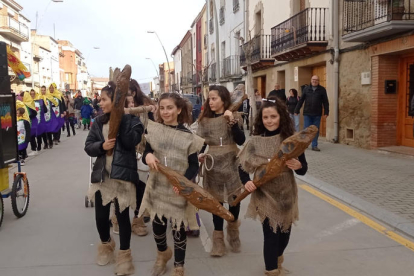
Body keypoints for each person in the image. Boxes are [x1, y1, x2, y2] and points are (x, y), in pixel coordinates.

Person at [238, 97, 307, 276]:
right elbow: (241, 165)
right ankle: (272, 270)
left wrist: (299, 166)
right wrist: (247, 181)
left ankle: (277, 258)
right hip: (264, 193)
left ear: (281, 117)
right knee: (271, 235)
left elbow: (303, 169)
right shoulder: (254, 141)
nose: (269, 121)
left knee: (284, 234)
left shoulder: (292, 141)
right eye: (265, 117)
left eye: (273, 117)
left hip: (286, 194)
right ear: (261, 119)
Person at [139, 92, 204, 276]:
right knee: (158, 228)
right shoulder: (154, 130)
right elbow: (146, 154)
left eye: (170, 108)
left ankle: (179, 266)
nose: (166, 112)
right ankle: (162, 255)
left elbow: (193, 165)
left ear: (179, 109)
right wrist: (148, 155)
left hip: (178, 190)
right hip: (157, 187)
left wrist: (183, 183)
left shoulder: (189, 136)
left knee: (178, 228)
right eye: (162, 108)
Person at [85, 82, 144, 275]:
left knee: (122, 218)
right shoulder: (98, 122)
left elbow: (130, 142)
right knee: (101, 218)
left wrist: (121, 121)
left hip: (123, 178)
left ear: (115, 101)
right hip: (103, 177)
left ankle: (125, 257)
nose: (100, 103)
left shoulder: (133, 121)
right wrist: (102, 146)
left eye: (104, 99)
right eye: (100, 99)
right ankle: (105, 243)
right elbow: (89, 146)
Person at [196, 85, 246, 257]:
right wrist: (200, 154)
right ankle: (218, 239)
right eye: (209, 98)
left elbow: (241, 140)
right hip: (213, 163)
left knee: (234, 199)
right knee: (216, 202)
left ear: (224, 100)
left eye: (214, 98)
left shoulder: (234, 116)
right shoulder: (203, 120)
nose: (211, 101)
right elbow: (201, 143)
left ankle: (233, 230)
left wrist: (231, 121)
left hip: (232, 161)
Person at [294, 75, 329, 151]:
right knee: (306, 130)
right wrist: (296, 110)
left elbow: (325, 101)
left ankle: (314, 145)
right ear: (311, 80)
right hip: (307, 113)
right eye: (313, 79)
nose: (314, 81)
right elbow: (301, 100)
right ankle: (304, 145)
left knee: (315, 130)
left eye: (316, 80)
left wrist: (326, 111)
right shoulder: (306, 89)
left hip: (317, 113)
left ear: (318, 81)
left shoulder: (322, 90)